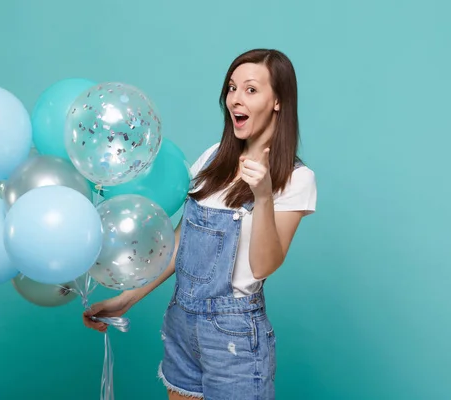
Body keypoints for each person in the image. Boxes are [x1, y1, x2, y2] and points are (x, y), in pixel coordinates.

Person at [83, 48, 317, 400]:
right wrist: (126, 299)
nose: (235, 99)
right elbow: (181, 245)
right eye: (232, 88)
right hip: (181, 322)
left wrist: (264, 196)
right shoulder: (212, 158)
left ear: (278, 100)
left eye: (251, 90)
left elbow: (264, 265)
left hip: (234, 335)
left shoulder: (297, 179)